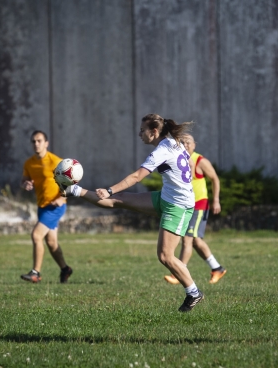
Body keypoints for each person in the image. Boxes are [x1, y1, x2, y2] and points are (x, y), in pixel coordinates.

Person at [61, 114, 204, 312]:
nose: (139, 134)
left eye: (142, 130)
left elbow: (137, 176)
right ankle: (73, 190)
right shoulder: (172, 142)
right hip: (167, 197)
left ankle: (194, 292)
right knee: (123, 200)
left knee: (165, 255)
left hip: (178, 206)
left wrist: (110, 189)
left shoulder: (162, 150)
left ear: (154, 132)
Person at [164, 134, 226, 285]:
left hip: (198, 204)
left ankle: (177, 273)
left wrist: (216, 200)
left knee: (187, 239)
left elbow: (215, 179)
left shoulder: (200, 160)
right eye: (182, 142)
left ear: (194, 145)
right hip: (185, 205)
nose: (185, 144)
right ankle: (217, 268)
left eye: (188, 142)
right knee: (196, 241)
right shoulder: (179, 158)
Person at [20, 130, 73, 284]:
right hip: (42, 206)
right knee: (51, 243)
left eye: (39, 140)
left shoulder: (56, 161)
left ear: (46, 143)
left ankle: (35, 273)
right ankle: (65, 269)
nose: (36, 144)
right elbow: (23, 180)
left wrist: (62, 199)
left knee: (36, 235)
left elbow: (70, 184)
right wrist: (26, 184)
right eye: (33, 141)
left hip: (55, 207)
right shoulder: (29, 163)